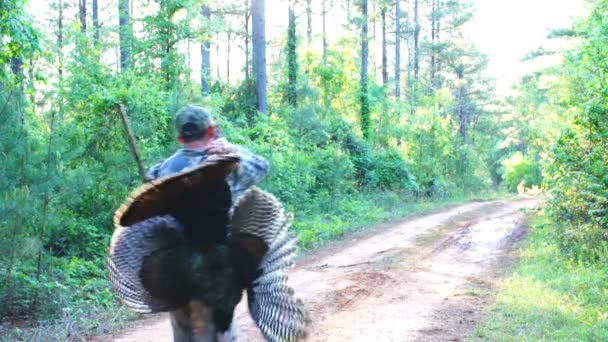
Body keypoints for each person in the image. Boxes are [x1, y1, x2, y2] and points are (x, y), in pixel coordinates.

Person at [145, 105, 269, 203]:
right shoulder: (224, 166)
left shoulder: (158, 171)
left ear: (180, 139)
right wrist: (232, 149)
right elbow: (262, 166)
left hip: (171, 234)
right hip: (221, 234)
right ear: (211, 131)